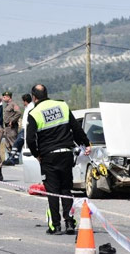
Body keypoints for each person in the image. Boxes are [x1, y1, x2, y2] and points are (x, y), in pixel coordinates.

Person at [26, 84, 90, 235]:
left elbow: (29, 139)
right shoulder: (62, 105)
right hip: (66, 154)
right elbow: (76, 129)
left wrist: (37, 154)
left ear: (34, 97)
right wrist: (86, 144)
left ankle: (55, 225)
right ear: (47, 94)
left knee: (52, 191)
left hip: (49, 156)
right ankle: (69, 222)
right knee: (66, 189)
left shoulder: (34, 113)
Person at [5, 93, 33, 166]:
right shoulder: (28, 107)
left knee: (16, 143)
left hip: (27, 129)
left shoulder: (31, 108)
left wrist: (12, 120)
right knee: (19, 144)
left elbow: (19, 113)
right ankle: (15, 159)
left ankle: (11, 158)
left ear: (25, 101)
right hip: (24, 128)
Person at [1, 91, 21, 166]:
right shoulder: (7, 105)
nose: (3, 98)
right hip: (7, 127)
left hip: (12, 127)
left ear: (9, 97)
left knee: (13, 143)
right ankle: (10, 158)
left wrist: (12, 120)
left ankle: (15, 159)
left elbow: (18, 112)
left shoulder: (13, 104)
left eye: (5, 97)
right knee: (7, 144)